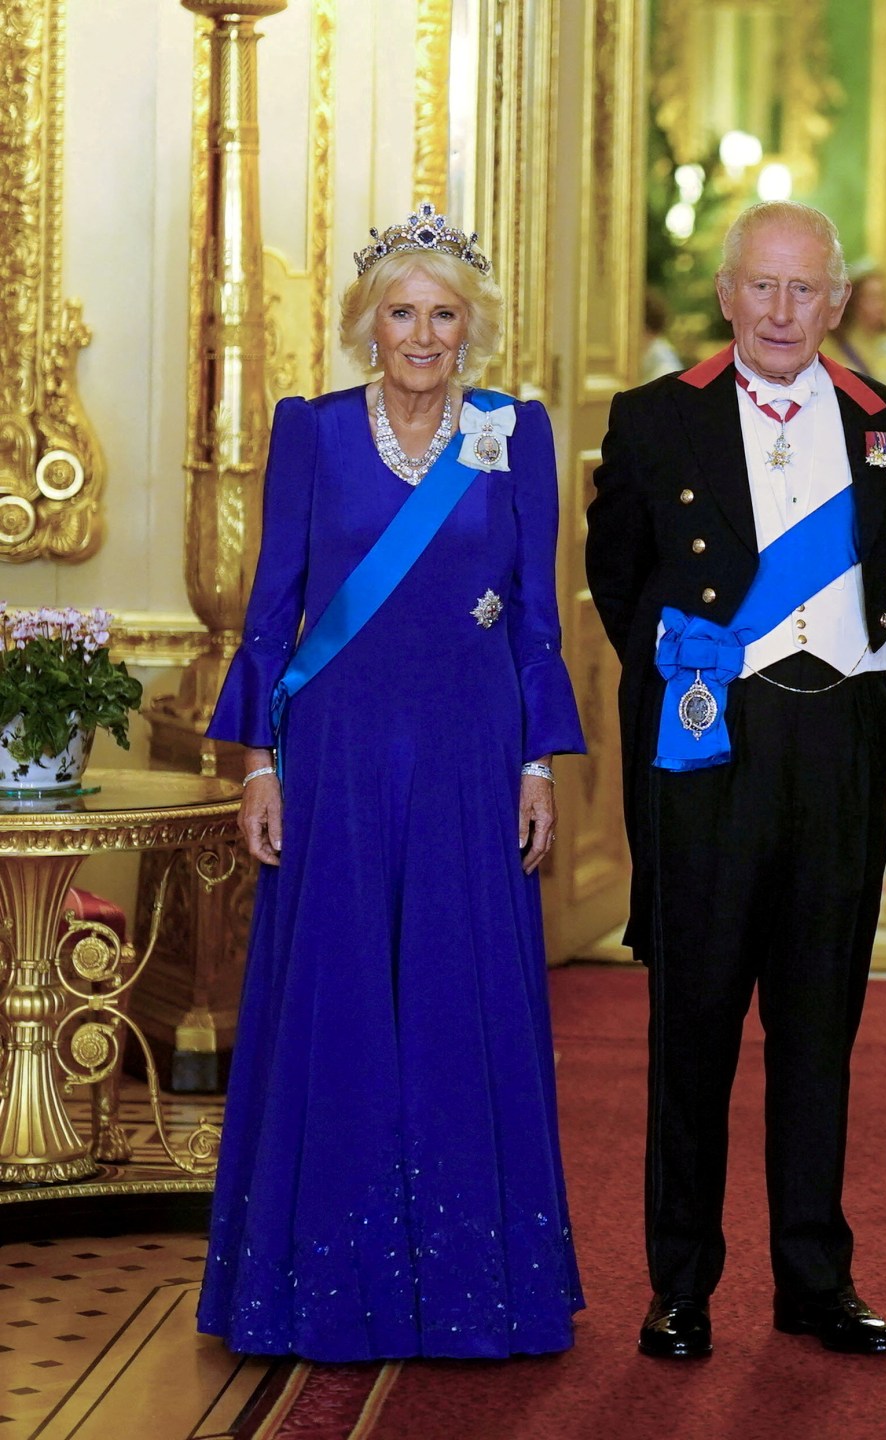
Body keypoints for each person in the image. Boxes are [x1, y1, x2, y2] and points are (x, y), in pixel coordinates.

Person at [198, 203, 587, 1360]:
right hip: (339, 756)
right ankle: (323, 1285)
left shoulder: (512, 431)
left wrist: (536, 763)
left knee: (463, 994)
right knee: (339, 997)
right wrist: (258, 763)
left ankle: (474, 1288)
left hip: (473, 753)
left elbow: (536, 616)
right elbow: (271, 608)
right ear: (367, 325)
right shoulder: (312, 430)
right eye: (402, 314)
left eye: (444, 316)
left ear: (473, 329)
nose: (422, 336)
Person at [585, 201, 886, 1360]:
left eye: (806, 290)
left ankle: (814, 1280)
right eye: (763, 287)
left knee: (819, 1026)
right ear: (728, 295)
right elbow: (619, 578)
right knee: (693, 1024)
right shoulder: (655, 420)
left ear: (837, 303)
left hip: (840, 743)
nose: (783, 311)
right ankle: (680, 1284)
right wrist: (693, 679)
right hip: (711, 747)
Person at [823, 266, 886, 392]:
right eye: (873, 297)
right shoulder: (835, 343)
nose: (881, 305)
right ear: (855, 300)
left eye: (885, 297)